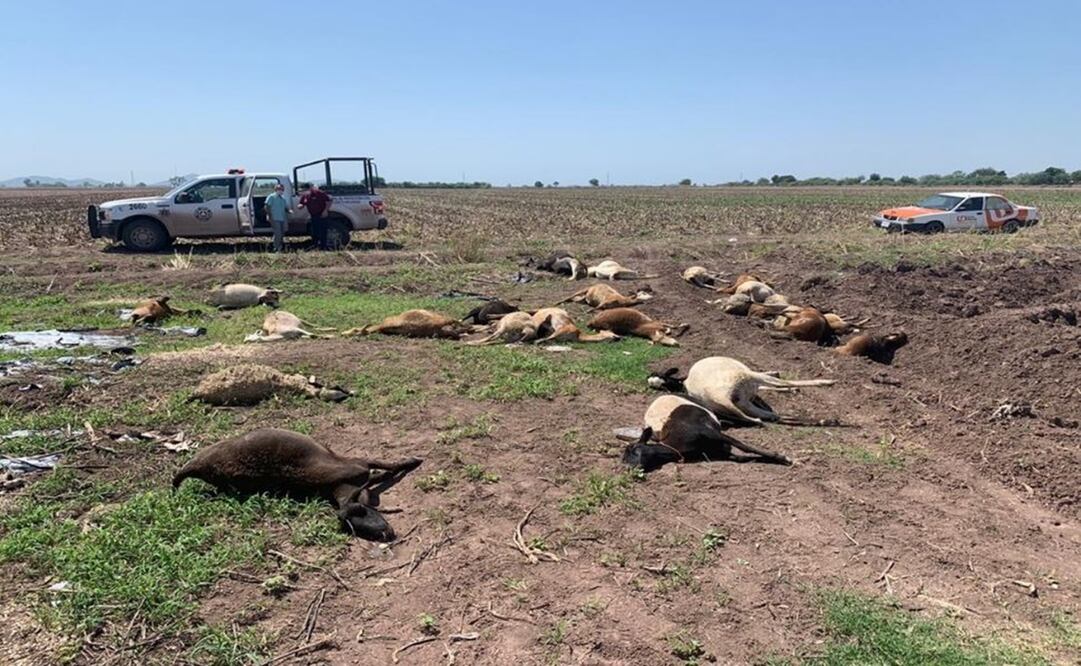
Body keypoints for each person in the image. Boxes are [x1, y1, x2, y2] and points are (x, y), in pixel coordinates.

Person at [299, 183, 334, 250]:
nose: (303, 191)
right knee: (315, 231)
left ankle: (323, 246)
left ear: (309, 188)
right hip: (313, 215)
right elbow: (302, 203)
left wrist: (325, 210)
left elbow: (329, 200)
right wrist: (300, 206)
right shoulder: (305, 196)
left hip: (322, 215)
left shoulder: (319, 193)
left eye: (304, 190)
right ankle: (316, 246)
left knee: (323, 231)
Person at [264, 183, 292, 252]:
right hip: (274, 218)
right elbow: (267, 207)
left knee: (282, 233)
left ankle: (279, 246)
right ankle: (276, 248)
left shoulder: (283, 198)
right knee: (278, 233)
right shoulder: (271, 197)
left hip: (282, 218)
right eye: (279, 189)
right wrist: (269, 216)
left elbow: (286, 207)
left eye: (282, 189)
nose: (281, 190)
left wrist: (289, 210)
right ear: (275, 189)